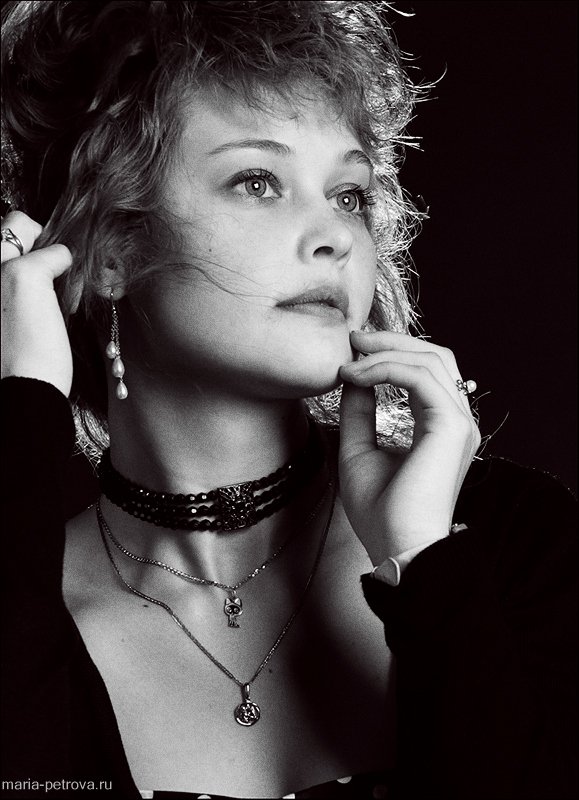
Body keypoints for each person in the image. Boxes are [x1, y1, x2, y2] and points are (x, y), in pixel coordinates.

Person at [1, 2, 576, 799]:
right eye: (258, 182)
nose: (335, 236)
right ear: (109, 252)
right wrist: (23, 403)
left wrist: (425, 565)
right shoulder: (23, 594)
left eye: (348, 194)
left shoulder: (514, 542)